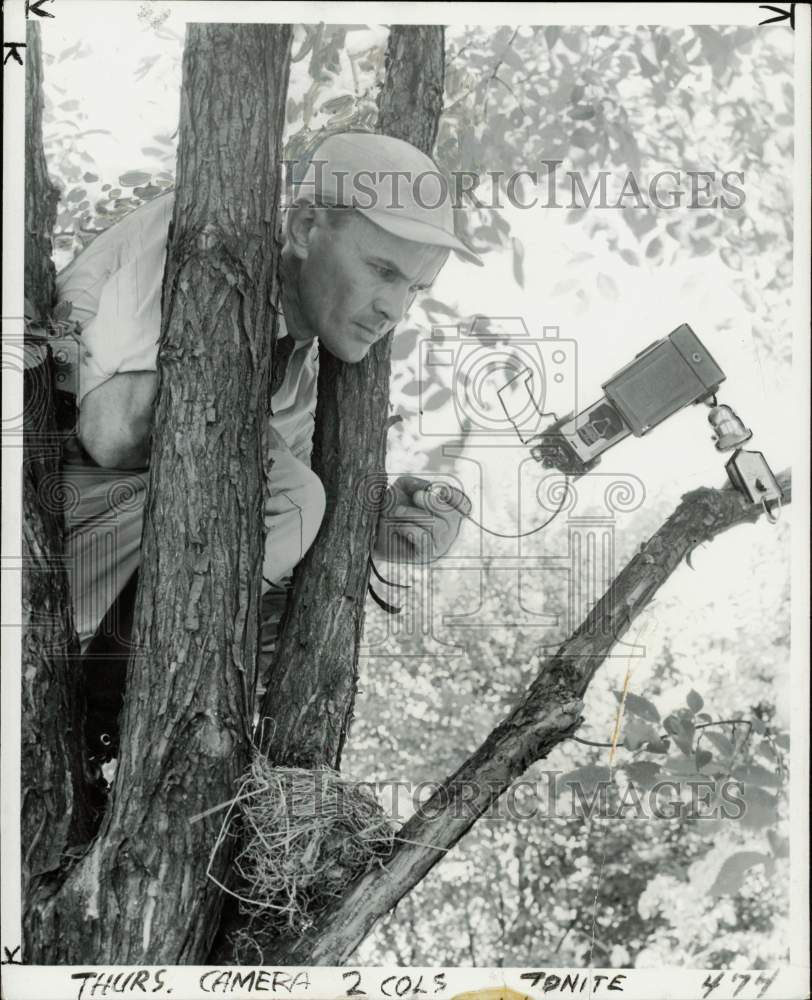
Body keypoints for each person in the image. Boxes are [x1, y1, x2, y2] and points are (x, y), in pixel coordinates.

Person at [55, 131, 477, 760]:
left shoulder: (298, 369)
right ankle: (101, 714)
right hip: (34, 513)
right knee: (297, 498)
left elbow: (281, 529)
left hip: (77, 590)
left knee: (297, 517)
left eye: (415, 289)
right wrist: (297, 484)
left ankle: (116, 725)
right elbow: (114, 434)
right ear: (306, 226)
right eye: (382, 271)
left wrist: (382, 522)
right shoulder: (202, 230)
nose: (395, 309)